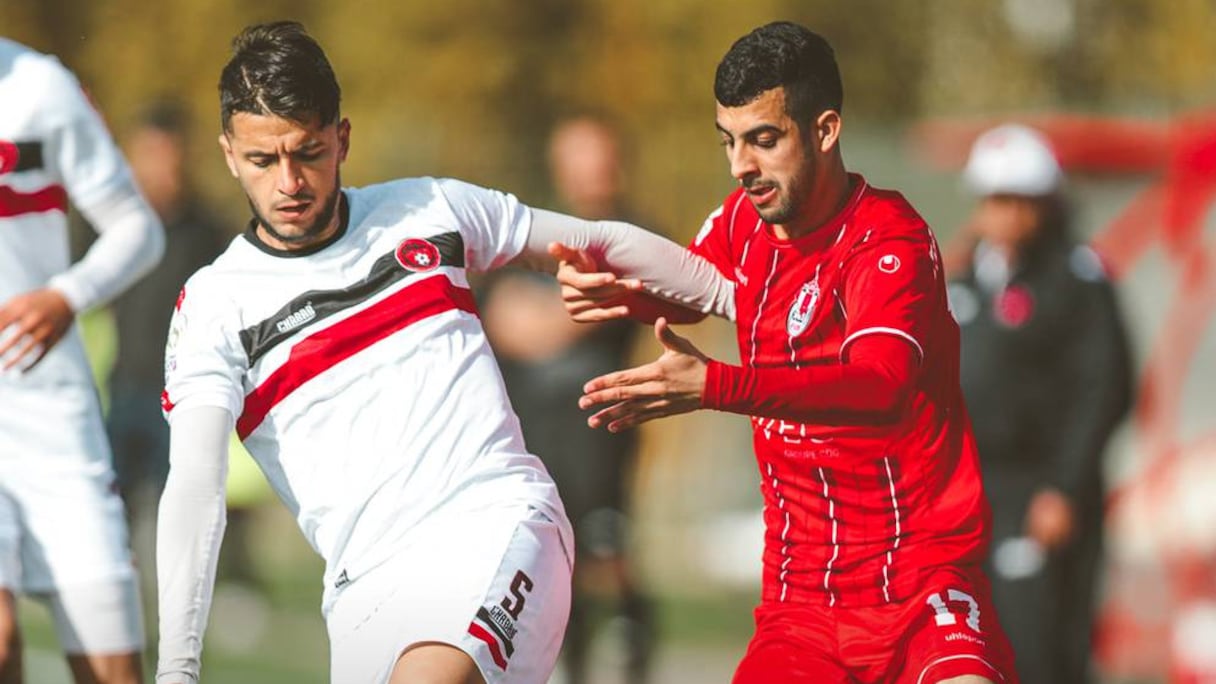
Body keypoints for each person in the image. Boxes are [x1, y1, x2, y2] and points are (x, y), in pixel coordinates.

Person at [155, 22, 732, 684]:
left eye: (308, 152)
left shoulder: (429, 211)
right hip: (363, 593)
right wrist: (177, 668)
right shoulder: (214, 305)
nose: (289, 181)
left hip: (497, 524)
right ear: (229, 154)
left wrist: (744, 301)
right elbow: (196, 485)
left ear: (342, 138)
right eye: (263, 160)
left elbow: (597, 240)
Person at [553, 22, 1019, 683]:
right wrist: (625, 295)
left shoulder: (890, 243)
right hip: (803, 602)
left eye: (764, 140)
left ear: (824, 130)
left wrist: (717, 387)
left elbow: (881, 384)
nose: (743, 164)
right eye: (730, 142)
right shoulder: (746, 218)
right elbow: (696, 289)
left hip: (922, 582)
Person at [0, 38, 165, 684]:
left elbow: (137, 228)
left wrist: (67, 295)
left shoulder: (40, 87)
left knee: (112, 672)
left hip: (51, 411)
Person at [947, 123, 1133, 684]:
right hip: (970, 491)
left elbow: (1105, 388)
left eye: (1014, 200)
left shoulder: (1075, 281)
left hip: (1041, 494)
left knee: (1038, 649)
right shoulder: (964, 279)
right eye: (992, 199)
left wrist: (1063, 487)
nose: (1000, 213)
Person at [481, 116, 653, 684]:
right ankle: (563, 661)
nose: (591, 171)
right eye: (578, 157)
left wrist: (551, 318)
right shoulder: (536, 231)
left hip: (603, 425)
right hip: (535, 424)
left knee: (605, 547)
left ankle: (632, 631)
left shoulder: (637, 235)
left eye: (598, 157)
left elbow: (582, 316)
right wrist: (549, 317)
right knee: (549, 557)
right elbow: (502, 312)